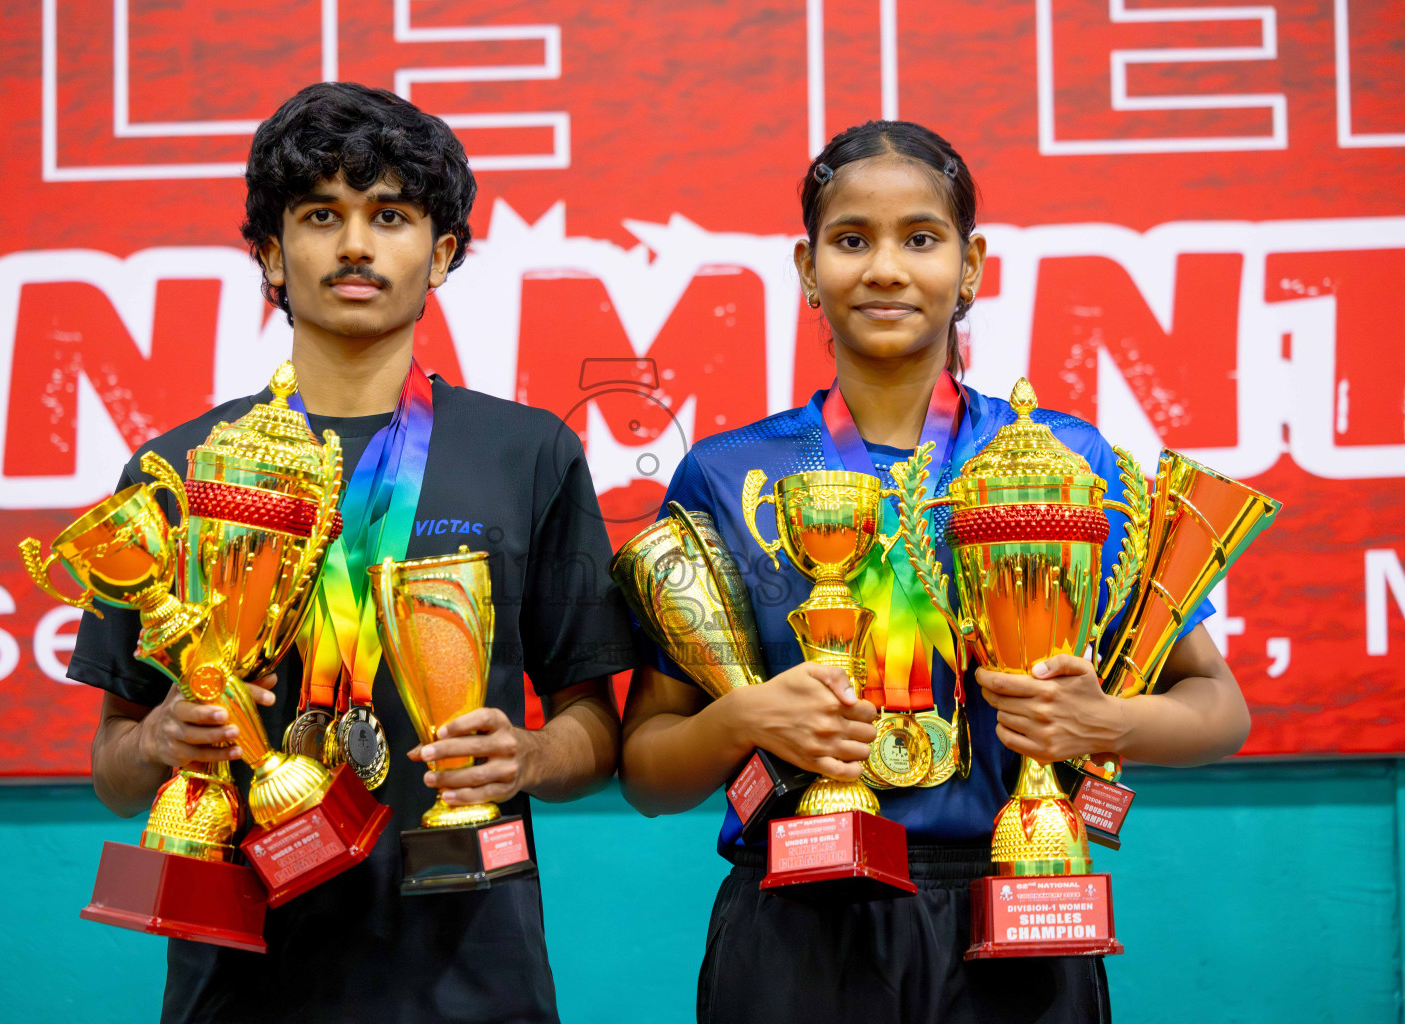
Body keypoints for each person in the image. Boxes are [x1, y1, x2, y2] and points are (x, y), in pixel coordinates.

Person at [618, 120, 1251, 1024]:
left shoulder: (1061, 462)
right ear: (806, 269)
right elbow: (647, 772)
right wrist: (743, 717)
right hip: (797, 917)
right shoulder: (730, 474)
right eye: (850, 241)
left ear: (972, 266)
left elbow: (1218, 710)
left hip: (1019, 903)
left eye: (920, 238)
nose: (884, 269)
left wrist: (1100, 721)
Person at [66, 82, 634, 1024]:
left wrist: (528, 755)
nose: (357, 245)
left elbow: (595, 728)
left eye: (392, 216)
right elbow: (113, 766)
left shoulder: (527, 452)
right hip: (239, 977)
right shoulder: (177, 469)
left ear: (441, 252)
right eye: (321, 216)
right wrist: (161, 739)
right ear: (270, 255)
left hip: (467, 963)